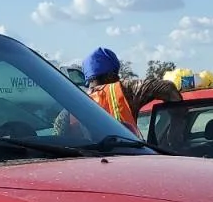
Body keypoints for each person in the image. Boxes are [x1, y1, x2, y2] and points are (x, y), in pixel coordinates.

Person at [56, 47, 184, 139]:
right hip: (128, 162)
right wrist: (175, 129)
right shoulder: (123, 90)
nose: (118, 78)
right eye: (116, 74)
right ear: (111, 75)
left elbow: (59, 137)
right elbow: (167, 88)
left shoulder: (71, 106)